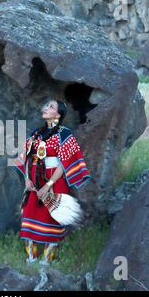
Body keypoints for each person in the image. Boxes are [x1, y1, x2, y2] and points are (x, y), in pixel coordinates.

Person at [13, 99, 91, 265]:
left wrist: (48, 186)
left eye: (51, 107)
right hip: (33, 183)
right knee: (28, 217)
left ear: (58, 114)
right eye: (46, 105)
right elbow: (27, 158)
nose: (46, 108)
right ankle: (30, 259)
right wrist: (27, 179)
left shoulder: (65, 135)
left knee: (52, 219)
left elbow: (65, 163)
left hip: (54, 183)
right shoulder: (36, 134)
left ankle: (47, 262)